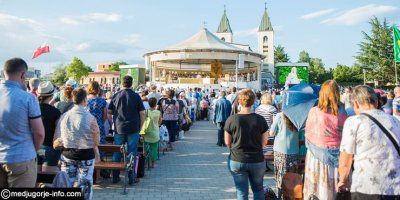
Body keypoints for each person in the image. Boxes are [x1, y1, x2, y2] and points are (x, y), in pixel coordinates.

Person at [338, 85, 400, 199]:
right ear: (376, 102)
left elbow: (346, 159)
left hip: (366, 187)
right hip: (395, 188)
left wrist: (342, 180)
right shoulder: (395, 121)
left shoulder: (354, 122)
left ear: (356, 104)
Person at [0, 58, 45, 187]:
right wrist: (32, 150)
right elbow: (39, 133)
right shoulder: (28, 98)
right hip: (21, 157)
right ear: (23, 75)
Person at [303, 80, 348, 200]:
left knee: (319, 191)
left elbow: (307, 133)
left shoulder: (314, 111)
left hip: (317, 156)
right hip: (339, 156)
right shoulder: (344, 112)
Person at [54, 88, 100, 200]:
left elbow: (57, 137)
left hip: (67, 154)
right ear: (85, 99)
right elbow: (96, 140)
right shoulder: (90, 118)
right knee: (85, 184)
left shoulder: (64, 116)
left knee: (67, 183)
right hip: (86, 155)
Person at [224, 89, 268, 200]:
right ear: (253, 102)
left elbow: (227, 142)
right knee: (258, 190)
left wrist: (234, 149)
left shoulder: (231, 119)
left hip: (237, 159)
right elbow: (265, 142)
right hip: (257, 159)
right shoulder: (260, 120)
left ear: (239, 102)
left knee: (241, 192)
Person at [108, 76, 145, 184]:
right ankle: (131, 176)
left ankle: (115, 176)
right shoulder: (136, 96)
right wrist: (141, 127)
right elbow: (142, 113)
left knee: (117, 152)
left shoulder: (116, 95)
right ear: (131, 83)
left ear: (122, 83)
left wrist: (112, 123)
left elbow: (109, 111)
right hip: (133, 128)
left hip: (119, 127)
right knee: (132, 152)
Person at [37, 81, 61, 172]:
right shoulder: (55, 112)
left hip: (34, 146)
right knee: (47, 181)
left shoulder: (32, 109)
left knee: (36, 179)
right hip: (50, 147)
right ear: (51, 95)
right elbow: (58, 132)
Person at [255, 93, 277, 162]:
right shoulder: (273, 109)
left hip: (259, 132)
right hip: (269, 132)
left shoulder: (258, 109)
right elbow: (274, 123)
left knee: (262, 148)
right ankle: (267, 164)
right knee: (269, 149)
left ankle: (262, 163)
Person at [141, 97, 162, 168]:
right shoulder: (158, 112)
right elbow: (160, 122)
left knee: (146, 148)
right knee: (154, 149)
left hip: (146, 132)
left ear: (148, 104)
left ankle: (146, 163)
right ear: (156, 104)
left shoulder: (146, 111)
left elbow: (143, 121)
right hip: (155, 132)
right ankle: (152, 164)